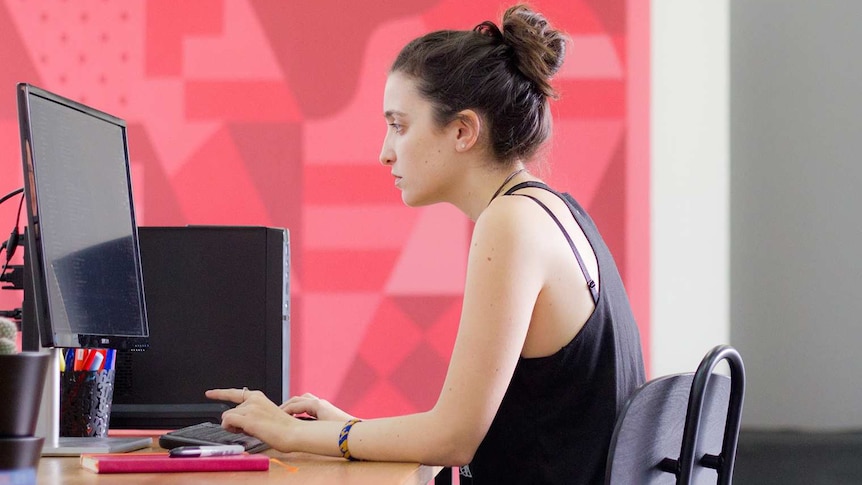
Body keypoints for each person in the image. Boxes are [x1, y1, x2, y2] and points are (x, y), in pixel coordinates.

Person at [206, 4, 645, 483]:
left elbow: (453, 441)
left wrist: (288, 432)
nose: (384, 151)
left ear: (462, 130)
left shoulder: (511, 222)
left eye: (399, 125)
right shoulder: (555, 211)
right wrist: (349, 428)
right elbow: (461, 429)